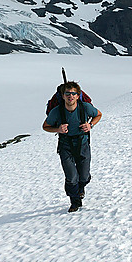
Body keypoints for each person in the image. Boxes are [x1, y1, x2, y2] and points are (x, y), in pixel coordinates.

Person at [42, 81, 102, 212]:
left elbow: (98, 114)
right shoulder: (57, 111)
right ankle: (75, 201)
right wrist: (58, 129)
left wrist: (90, 125)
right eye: (67, 93)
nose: (70, 96)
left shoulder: (85, 107)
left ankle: (81, 188)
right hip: (65, 146)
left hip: (83, 144)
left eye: (73, 93)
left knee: (84, 176)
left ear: (78, 95)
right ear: (63, 96)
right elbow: (45, 126)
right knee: (71, 177)